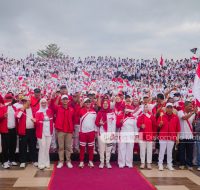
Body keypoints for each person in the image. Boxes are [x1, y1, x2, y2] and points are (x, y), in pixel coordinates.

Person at [157, 103, 180, 171]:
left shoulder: (175, 117)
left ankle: (169, 164)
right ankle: (160, 164)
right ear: (166, 108)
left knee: (170, 152)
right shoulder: (162, 116)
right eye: (168, 107)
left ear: (172, 108)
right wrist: (160, 124)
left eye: (170, 107)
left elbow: (178, 129)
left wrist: (177, 138)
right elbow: (158, 126)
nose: (169, 109)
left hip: (171, 137)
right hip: (163, 136)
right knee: (162, 151)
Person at [16, 96, 38, 168]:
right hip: (23, 131)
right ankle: (22, 161)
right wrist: (22, 109)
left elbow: (37, 118)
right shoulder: (20, 109)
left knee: (33, 146)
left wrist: (35, 120)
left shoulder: (34, 109)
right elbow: (17, 116)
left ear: (29, 101)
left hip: (32, 130)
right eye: (24, 101)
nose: (25, 102)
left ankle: (34, 160)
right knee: (23, 146)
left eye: (26, 101)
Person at [54, 95, 74, 169]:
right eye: (63, 99)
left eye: (66, 99)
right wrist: (58, 97)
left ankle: (68, 161)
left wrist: (72, 129)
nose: (65, 101)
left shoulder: (71, 109)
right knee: (61, 147)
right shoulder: (58, 108)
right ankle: (61, 161)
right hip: (60, 130)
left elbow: (73, 119)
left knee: (68, 147)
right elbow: (54, 105)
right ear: (61, 101)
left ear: (68, 100)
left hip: (69, 131)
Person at [95, 99, 116, 169]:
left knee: (108, 149)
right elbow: (96, 122)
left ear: (109, 104)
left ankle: (107, 162)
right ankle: (102, 162)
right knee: (101, 149)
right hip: (101, 133)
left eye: (107, 103)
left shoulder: (112, 113)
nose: (105, 104)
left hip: (109, 133)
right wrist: (99, 123)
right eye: (104, 103)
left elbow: (114, 123)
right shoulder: (99, 113)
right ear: (102, 104)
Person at [35, 98, 53, 170]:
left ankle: (46, 162)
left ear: (46, 103)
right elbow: (36, 124)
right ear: (40, 104)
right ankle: (41, 163)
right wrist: (36, 121)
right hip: (41, 132)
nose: (43, 104)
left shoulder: (50, 111)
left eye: (44, 102)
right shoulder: (37, 112)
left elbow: (52, 121)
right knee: (42, 147)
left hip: (49, 131)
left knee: (47, 147)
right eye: (42, 103)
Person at [178, 101, 197, 170]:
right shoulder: (180, 112)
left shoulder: (193, 114)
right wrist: (192, 112)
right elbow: (184, 118)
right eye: (190, 106)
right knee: (182, 151)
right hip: (182, 135)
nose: (191, 107)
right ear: (185, 106)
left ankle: (189, 164)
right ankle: (182, 164)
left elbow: (192, 123)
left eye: (191, 106)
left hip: (190, 136)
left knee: (190, 151)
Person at [0, 94, 17, 169]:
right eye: (8, 99)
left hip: (13, 129)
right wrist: (3, 116)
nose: (10, 100)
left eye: (11, 99)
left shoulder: (14, 107)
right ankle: (4, 161)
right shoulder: (2, 108)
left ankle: (12, 159)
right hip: (5, 130)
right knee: (5, 146)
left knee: (13, 145)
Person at [79, 98, 97, 168]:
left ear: (91, 104)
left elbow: (95, 123)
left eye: (89, 103)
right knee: (82, 148)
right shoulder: (81, 110)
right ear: (84, 103)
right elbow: (76, 115)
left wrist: (95, 131)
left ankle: (90, 161)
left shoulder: (94, 112)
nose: (88, 104)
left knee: (91, 148)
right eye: (86, 103)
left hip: (91, 132)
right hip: (83, 132)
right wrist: (79, 106)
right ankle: (81, 161)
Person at [137, 104, 156, 169]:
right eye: (144, 107)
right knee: (142, 149)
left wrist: (154, 135)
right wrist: (140, 125)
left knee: (149, 149)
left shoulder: (151, 116)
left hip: (149, 134)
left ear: (149, 108)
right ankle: (142, 163)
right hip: (141, 134)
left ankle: (148, 163)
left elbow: (154, 126)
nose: (146, 108)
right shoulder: (140, 116)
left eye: (147, 107)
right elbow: (137, 124)